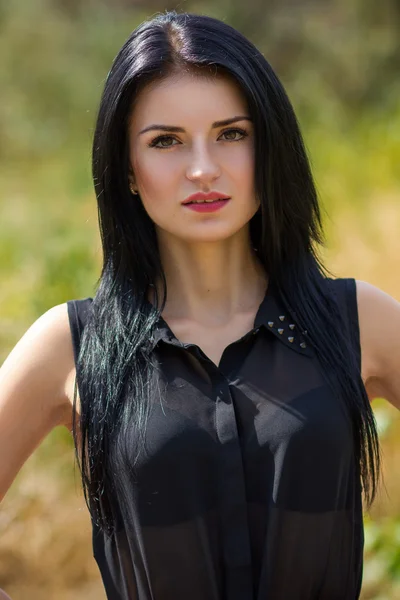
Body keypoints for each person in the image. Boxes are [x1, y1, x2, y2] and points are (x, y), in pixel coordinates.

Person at [1, 9, 400, 600]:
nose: (203, 169)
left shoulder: (358, 320)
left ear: (269, 148)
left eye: (231, 134)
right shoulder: (69, 345)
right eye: (165, 141)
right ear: (127, 171)